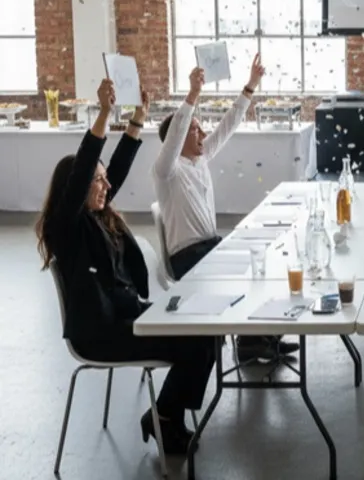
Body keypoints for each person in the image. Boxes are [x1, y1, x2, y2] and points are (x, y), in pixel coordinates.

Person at [37, 78, 216, 455]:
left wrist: (137, 120)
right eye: (97, 181)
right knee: (199, 343)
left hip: (127, 315)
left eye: (105, 181)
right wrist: (104, 113)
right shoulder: (67, 227)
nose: (106, 186)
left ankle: (166, 416)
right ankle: (165, 418)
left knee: (206, 332)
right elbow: (85, 169)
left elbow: (114, 169)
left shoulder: (97, 214)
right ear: (76, 187)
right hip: (101, 332)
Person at [153, 54, 296, 362]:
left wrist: (250, 86)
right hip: (188, 257)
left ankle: (261, 336)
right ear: (178, 139)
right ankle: (251, 342)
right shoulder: (167, 170)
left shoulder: (200, 159)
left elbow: (227, 126)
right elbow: (176, 131)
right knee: (248, 270)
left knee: (262, 260)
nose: (203, 134)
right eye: (196, 129)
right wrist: (193, 94)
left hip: (209, 247)